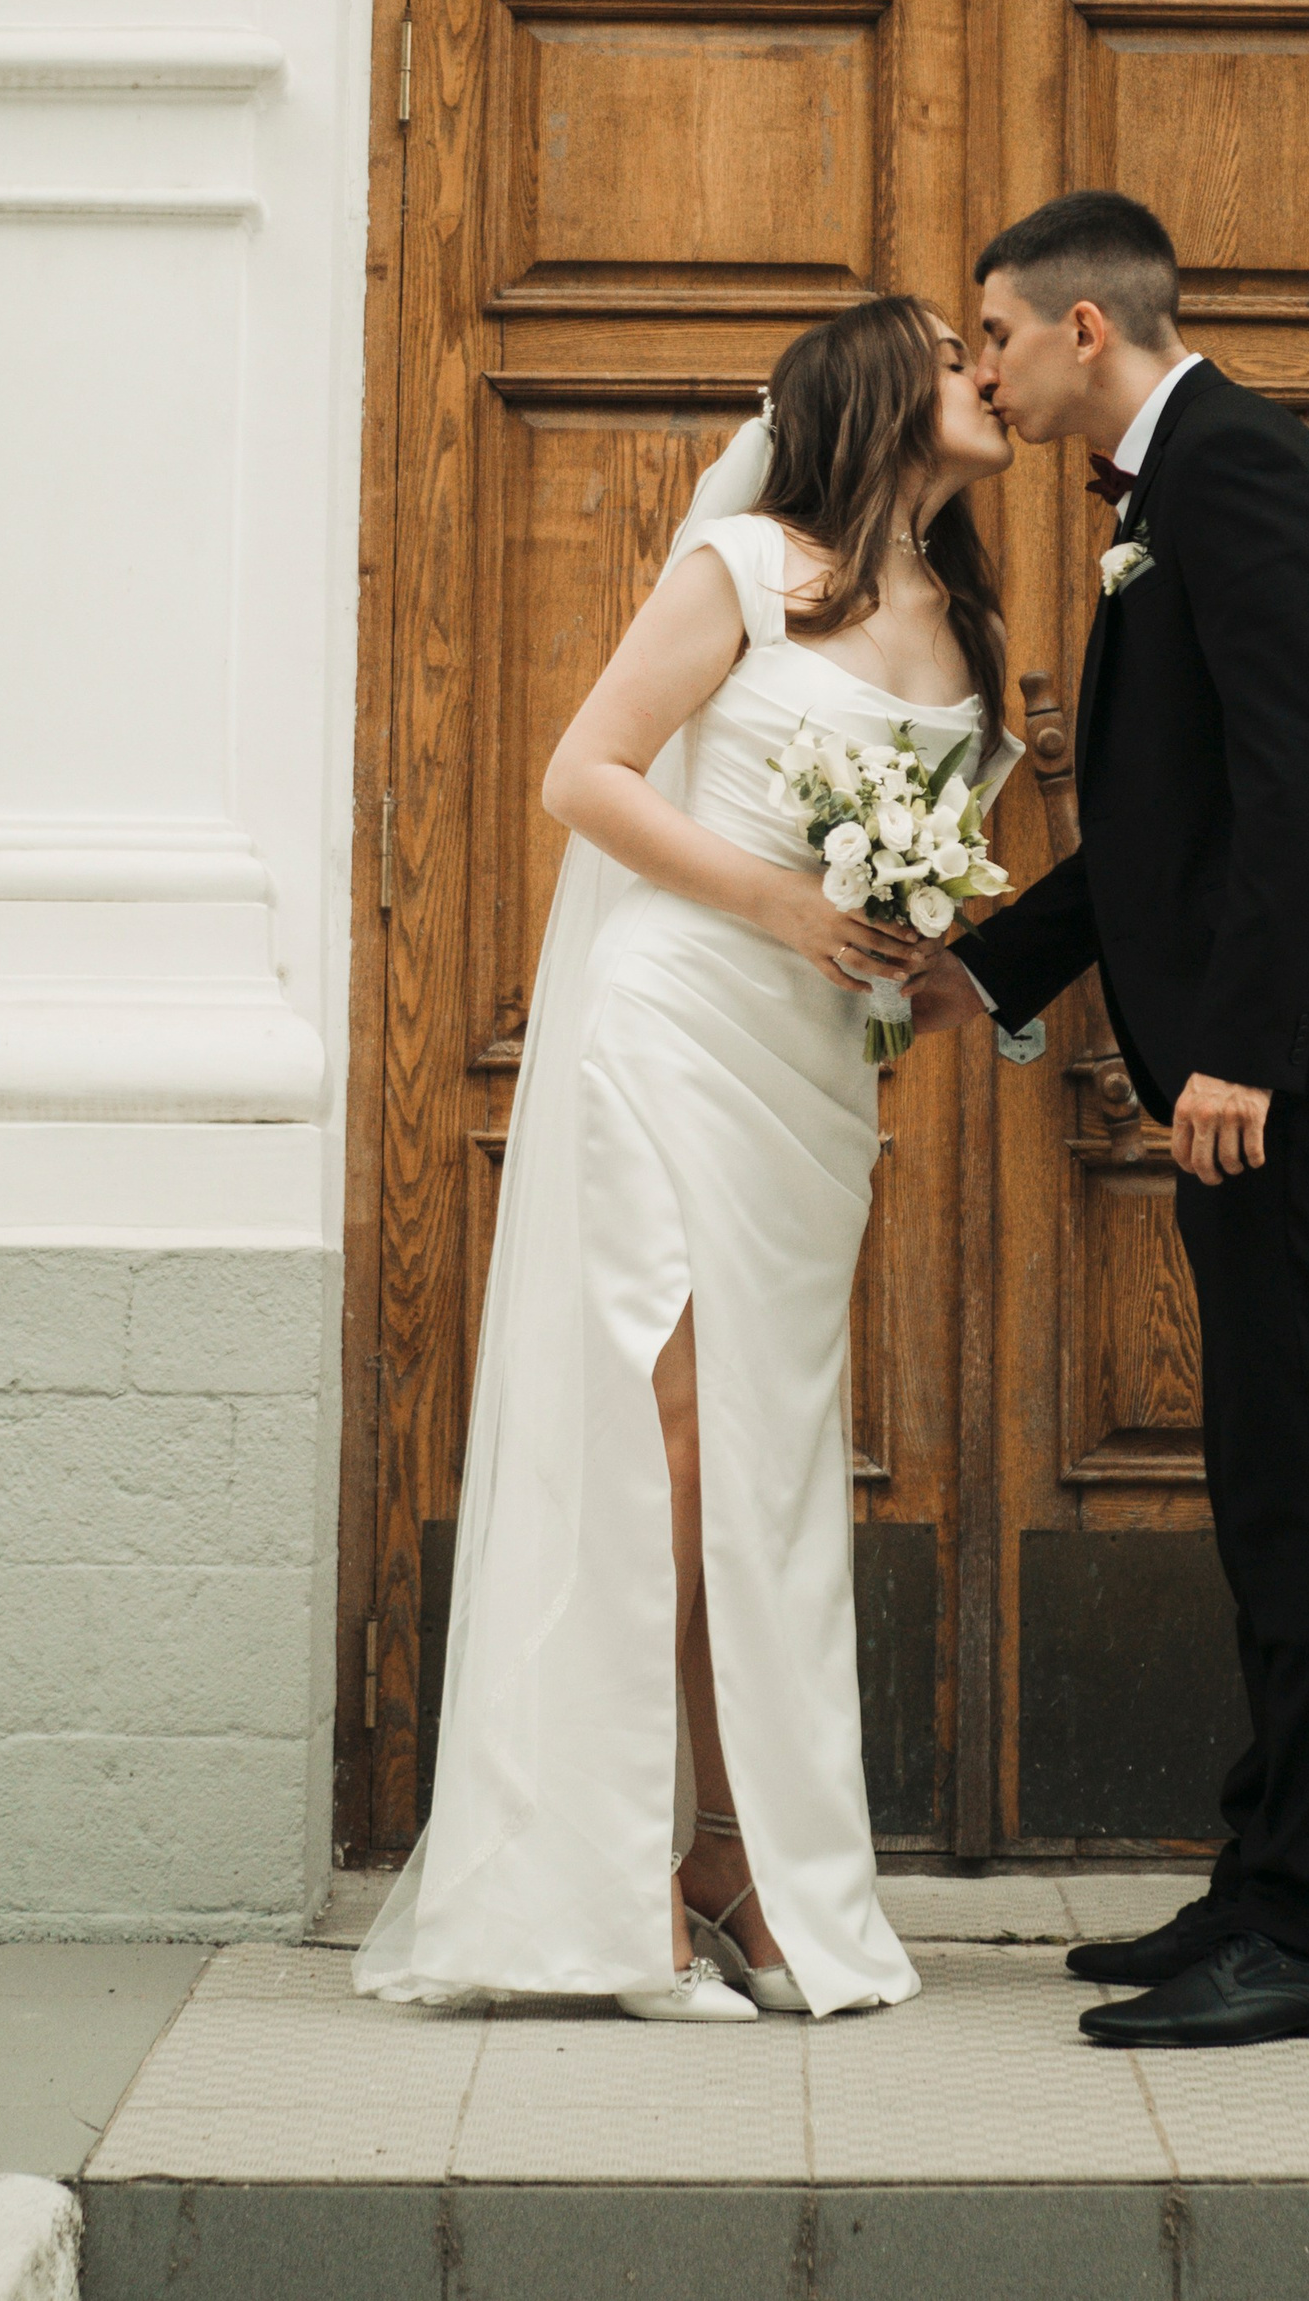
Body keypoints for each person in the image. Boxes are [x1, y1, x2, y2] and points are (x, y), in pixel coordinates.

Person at [356, 297, 1018, 2023]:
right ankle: (615, 1878)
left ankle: (746, 1860)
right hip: (671, 1022)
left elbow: (935, 869)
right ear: (880, 393)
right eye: (958, 355)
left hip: (814, 1079)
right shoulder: (741, 564)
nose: (989, 376)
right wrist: (791, 904)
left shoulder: (972, 621)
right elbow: (586, 774)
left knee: (770, 1469)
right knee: (667, 1440)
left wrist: (920, 957)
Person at [910, 190, 1309, 2053]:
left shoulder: (1236, 473)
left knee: (1305, 1475)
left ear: (1085, 331)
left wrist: (1238, 1045)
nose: (975, 365)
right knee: (1257, 1465)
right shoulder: (1177, 488)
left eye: (990, 332)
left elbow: (1307, 778)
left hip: (1294, 1064)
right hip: (1273, 1050)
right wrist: (980, 966)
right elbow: (1169, 830)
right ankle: (1264, 1872)